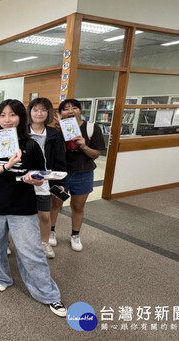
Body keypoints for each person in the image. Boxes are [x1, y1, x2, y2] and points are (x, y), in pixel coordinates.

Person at [0, 99, 66, 317]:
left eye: (13, 115)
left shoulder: (31, 145)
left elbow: (40, 173)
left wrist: (35, 180)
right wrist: (7, 165)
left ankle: (49, 294)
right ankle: (1, 277)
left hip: (23, 204)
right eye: (2, 115)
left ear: (21, 117)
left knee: (31, 250)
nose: (7, 120)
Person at [49, 99, 105, 252]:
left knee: (78, 207)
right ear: (60, 114)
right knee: (55, 205)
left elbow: (95, 154)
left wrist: (84, 146)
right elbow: (54, 154)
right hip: (59, 175)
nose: (70, 111)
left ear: (80, 111)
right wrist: (60, 134)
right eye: (65, 109)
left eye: (74, 107)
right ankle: (51, 231)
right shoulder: (56, 131)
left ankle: (75, 235)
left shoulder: (92, 128)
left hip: (83, 174)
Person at [27, 98, 67, 259]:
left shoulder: (53, 134)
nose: (39, 113)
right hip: (24, 179)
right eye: (35, 109)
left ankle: (44, 242)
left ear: (48, 113)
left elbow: (59, 160)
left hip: (44, 181)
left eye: (43, 110)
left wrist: (60, 183)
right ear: (29, 112)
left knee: (44, 214)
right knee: (21, 214)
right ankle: (18, 243)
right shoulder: (20, 132)